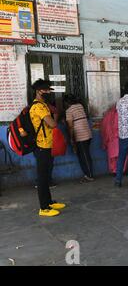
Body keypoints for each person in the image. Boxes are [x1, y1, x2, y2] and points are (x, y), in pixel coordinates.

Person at [29, 79, 65, 217]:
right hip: (41, 146)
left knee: (47, 175)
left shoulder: (44, 105)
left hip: (48, 145)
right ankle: (43, 208)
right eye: (47, 90)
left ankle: (49, 202)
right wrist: (55, 115)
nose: (49, 92)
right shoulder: (38, 107)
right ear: (39, 91)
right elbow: (52, 124)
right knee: (42, 177)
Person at [64, 94, 94, 184]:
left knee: (84, 156)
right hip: (87, 133)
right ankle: (87, 174)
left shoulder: (69, 111)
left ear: (66, 102)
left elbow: (70, 126)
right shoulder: (80, 106)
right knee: (84, 155)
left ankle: (89, 175)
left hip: (80, 135)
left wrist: (71, 138)